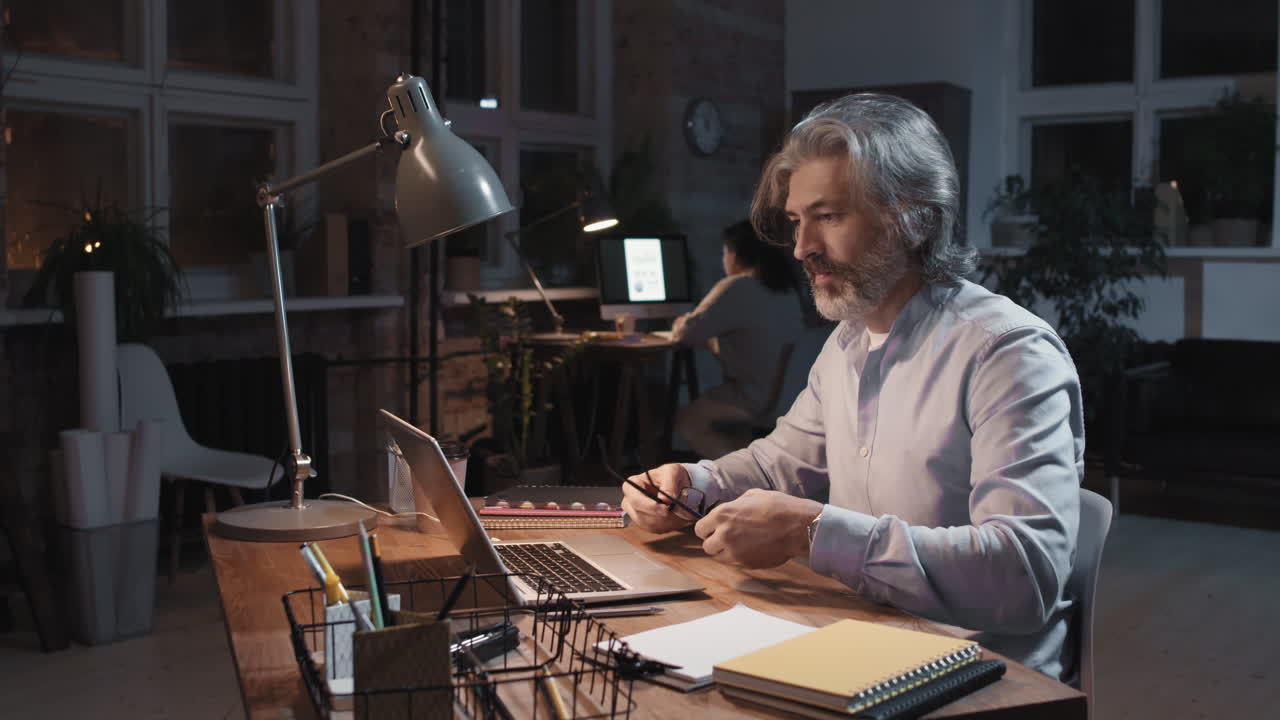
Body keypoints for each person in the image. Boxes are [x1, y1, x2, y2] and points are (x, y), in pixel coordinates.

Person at [622, 93, 1084, 682]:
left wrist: (811, 530)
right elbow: (777, 463)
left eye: (829, 216)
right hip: (862, 639)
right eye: (796, 220)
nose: (801, 247)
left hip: (982, 678)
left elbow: (1026, 575)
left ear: (914, 216)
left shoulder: (1008, 353)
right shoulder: (848, 341)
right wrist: (693, 483)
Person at [670, 220, 803, 458]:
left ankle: (743, 480)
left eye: (724, 252)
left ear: (735, 253)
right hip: (785, 395)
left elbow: (687, 334)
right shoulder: (785, 289)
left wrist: (680, 321)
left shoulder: (737, 286)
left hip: (754, 397)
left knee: (688, 419)